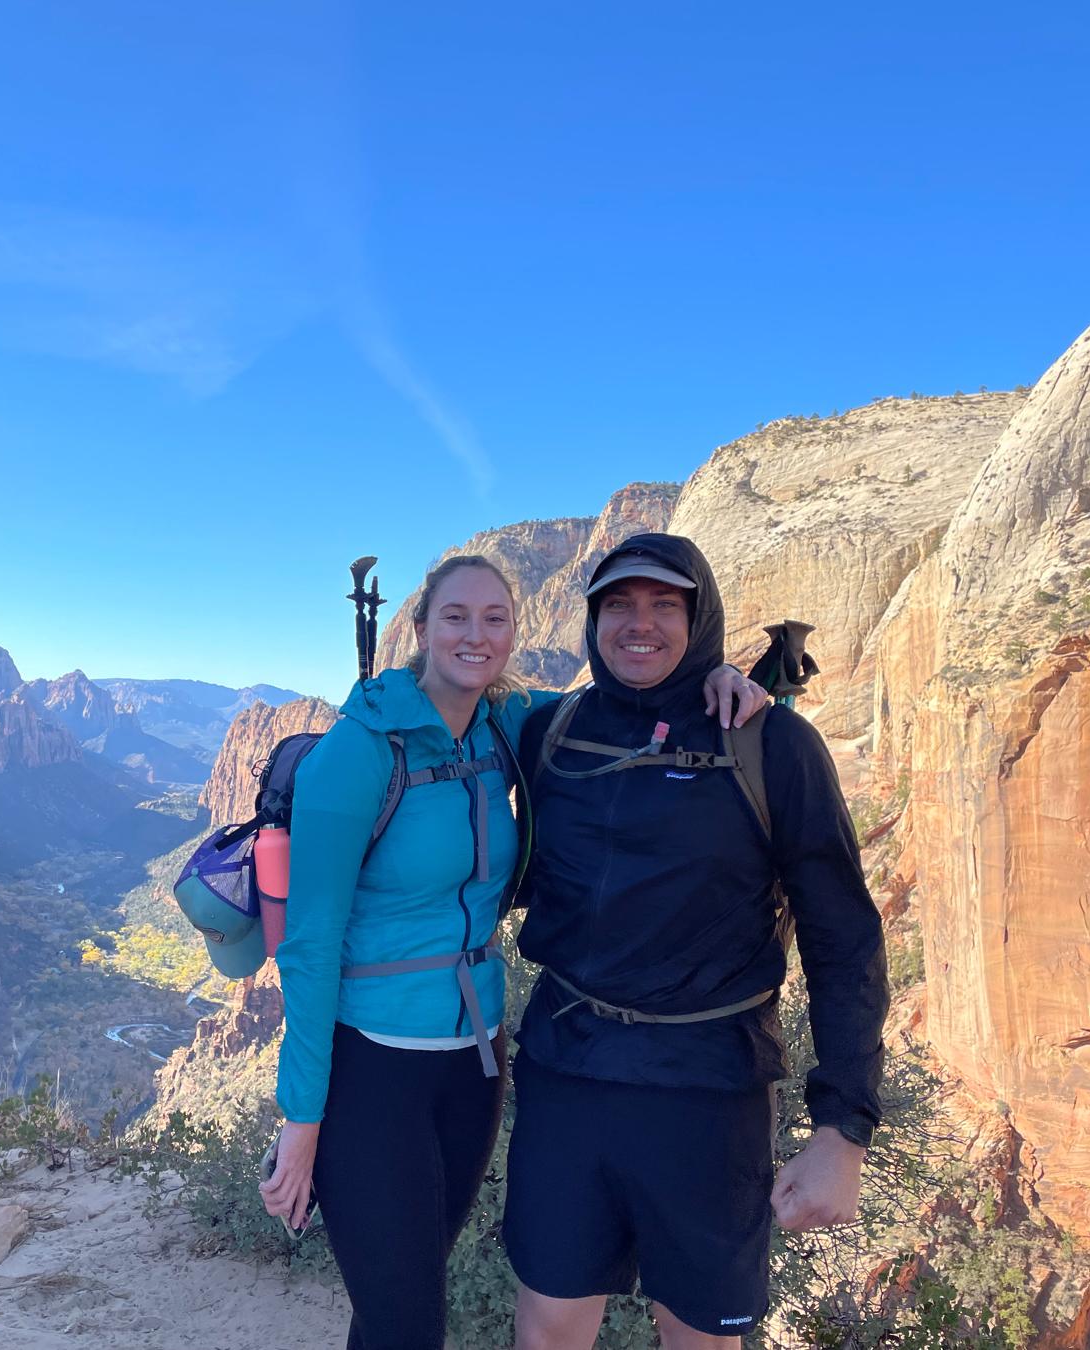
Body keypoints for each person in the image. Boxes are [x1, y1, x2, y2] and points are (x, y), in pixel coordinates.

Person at [259, 553, 767, 1350]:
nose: (476, 634)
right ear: (420, 629)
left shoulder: (507, 724)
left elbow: (619, 701)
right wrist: (302, 1117)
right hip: (371, 1066)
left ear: (514, 633)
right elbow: (311, 946)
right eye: (456, 617)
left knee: (409, 1292)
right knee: (404, 1324)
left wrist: (720, 674)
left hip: (473, 1061)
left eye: (495, 618)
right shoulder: (357, 754)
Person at [504, 533, 888, 1349]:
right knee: (546, 1327)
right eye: (619, 604)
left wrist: (841, 1130)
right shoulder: (552, 733)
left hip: (709, 1090)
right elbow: (450, 711)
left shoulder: (769, 743)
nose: (639, 624)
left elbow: (843, 937)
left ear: (700, 616)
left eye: (664, 606)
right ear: (592, 620)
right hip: (566, 1074)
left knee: (703, 1339)